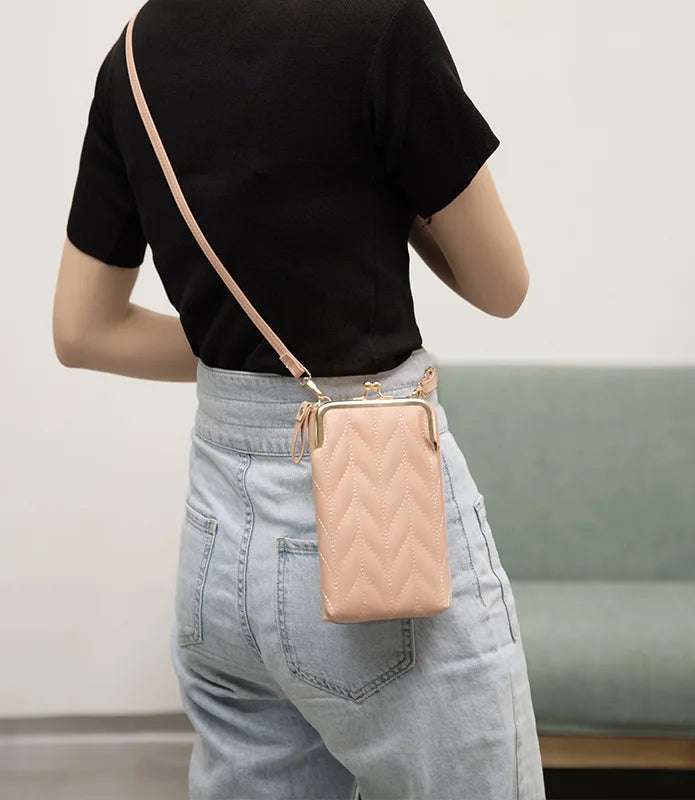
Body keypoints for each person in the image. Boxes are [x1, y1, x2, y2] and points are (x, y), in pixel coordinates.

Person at [53, 0, 546, 797]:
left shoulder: (134, 55)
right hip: (373, 503)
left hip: (218, 539)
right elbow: (502, 285)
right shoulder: (378, 22)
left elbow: (83, 330)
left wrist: (245, 356)